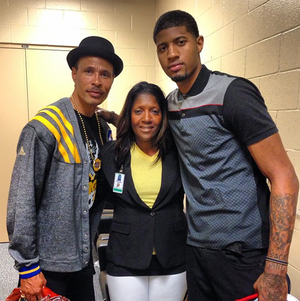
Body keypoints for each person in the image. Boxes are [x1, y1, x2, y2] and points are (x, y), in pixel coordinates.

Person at [151, 10, 299, 301]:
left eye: (181, 42)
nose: (172, 53)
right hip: (196, 249)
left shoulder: (233, 94)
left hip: (242, 253)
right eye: (163, 47)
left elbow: (285, 177)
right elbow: (146, 127)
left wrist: (276, 268)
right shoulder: (171, 105)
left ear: (199, 43)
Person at [6, 36, 123, 301]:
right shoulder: (45, 127)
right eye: (88, 71)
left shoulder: (104, 131)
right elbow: (21, 200)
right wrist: (27, 266)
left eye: (105, 74)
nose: (97, 81)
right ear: (74, 73)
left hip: (81, 258)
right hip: (47, 266)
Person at [98, 81, 187, 301]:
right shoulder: (112, 153)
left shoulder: (179, 151)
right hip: (125, 256)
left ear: (163, 116)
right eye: (138, 111)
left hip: (172, 256)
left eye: (154, 111)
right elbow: (97, 200)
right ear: (129, 114)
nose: (147, 118)